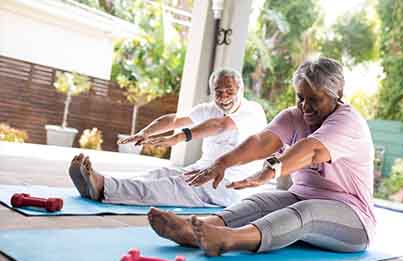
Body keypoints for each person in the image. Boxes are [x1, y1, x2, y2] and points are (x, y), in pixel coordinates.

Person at [148, 57, 376, 256]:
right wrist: (221, 163)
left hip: (353, 219)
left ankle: (229, 240)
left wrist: (270, 171)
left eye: (314, 99)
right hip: (302, 196)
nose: (305, 106)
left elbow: (312, 150)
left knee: (305, 213)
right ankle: (193, 230)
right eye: (300, 97)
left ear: (338, 94)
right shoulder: (295, 116)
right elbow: (262, 142)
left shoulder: (348, 122)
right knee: (259, 201)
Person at [68, 68, 267, 207]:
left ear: (241, 90)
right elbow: (173, 120)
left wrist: (179, 138)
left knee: (172, 186)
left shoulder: (252, 110)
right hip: (202, 170)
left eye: (229, 91)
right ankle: (102, 185)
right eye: (218, 92)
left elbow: (220, 125)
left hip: (229, 185)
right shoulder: (209, 109)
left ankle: (104, 187)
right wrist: (145, 132)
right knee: (161, 174)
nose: (223, 97)